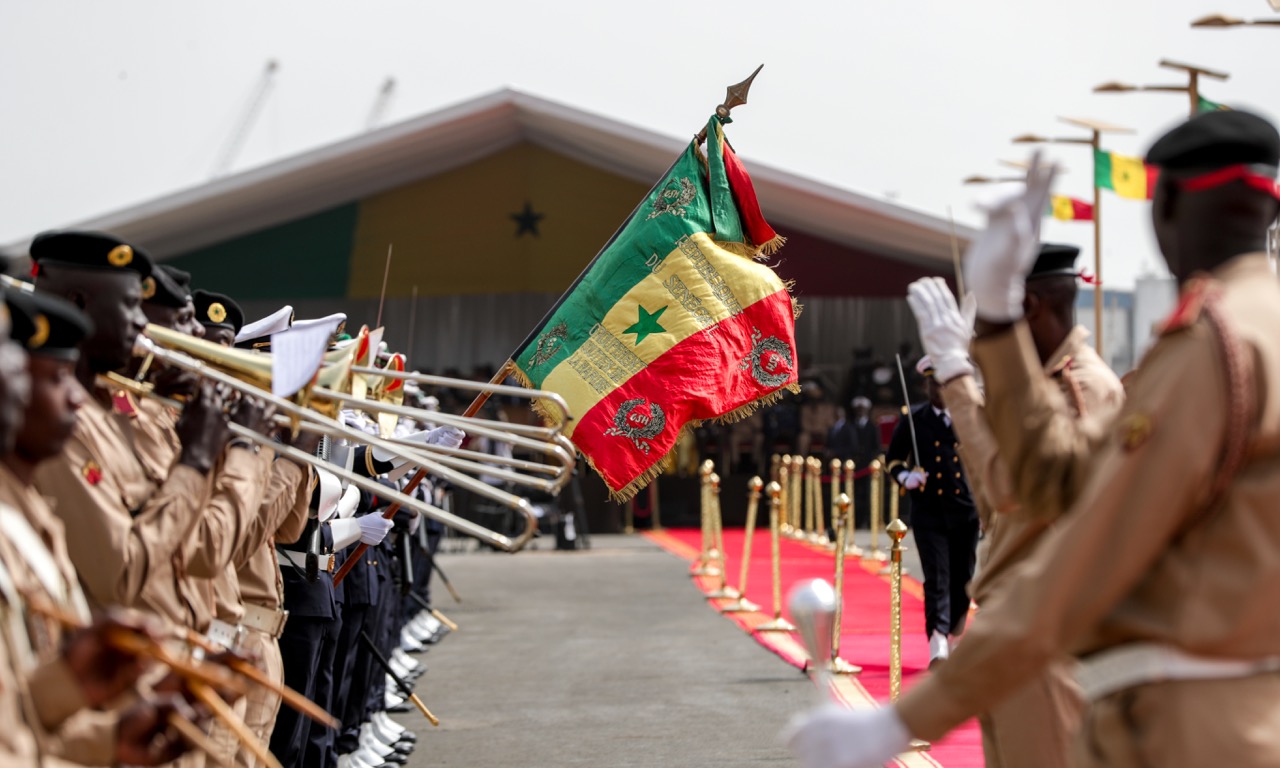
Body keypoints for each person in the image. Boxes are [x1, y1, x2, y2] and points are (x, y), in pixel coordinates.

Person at [787, 110, 1280, 768]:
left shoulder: (1213, 344)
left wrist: (906, 720)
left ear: (1165, 204)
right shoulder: (1251, 327)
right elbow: (1059, 474)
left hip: (1188, 720)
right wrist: (991, 328)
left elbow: (1084, 537)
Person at [904, 243, 1124, 768]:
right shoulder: (1045, 386)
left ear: (1027, 308)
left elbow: (1012, 491)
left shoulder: (1079, 388)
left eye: (992, 323)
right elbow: (991, 498)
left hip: (1045, 629)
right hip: (1017, 622)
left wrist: (959, 381)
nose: (984, 340)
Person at [883, 357, 977, 666]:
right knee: (937, 577)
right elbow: (893, 460)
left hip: (965, 512)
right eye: (933, 384)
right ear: (927, 386)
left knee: (963, 579)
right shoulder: (914, 419)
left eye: (944, 384)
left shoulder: (969, 417)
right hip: (929, 512)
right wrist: (906, 477)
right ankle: (937, 641)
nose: (939, 390)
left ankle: (953, 632)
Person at [825, 396, 880, 527]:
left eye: (863, 409)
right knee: (851, 492)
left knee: (867, 494)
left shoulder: (872, 426)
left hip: (867, 465)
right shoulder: (849, 426)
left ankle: (867, 520)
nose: (860, 411)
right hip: (852, 464)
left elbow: (876, 446)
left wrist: (873, 461)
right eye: (858, 409)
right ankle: (853, 520)